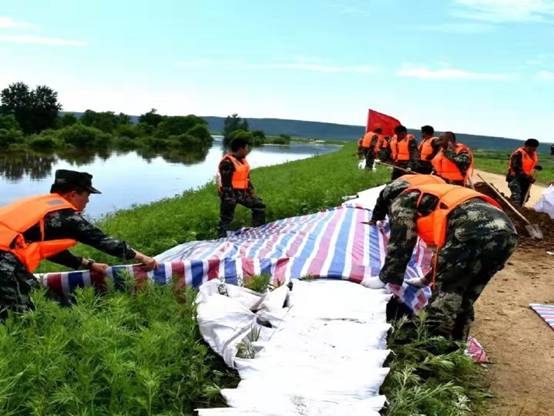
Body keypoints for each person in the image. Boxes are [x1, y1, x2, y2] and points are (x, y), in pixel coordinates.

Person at [365, 183, 517, 340]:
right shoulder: (433, 197)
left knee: (447, 294)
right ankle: (456, 343)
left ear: (390, 200)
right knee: (467, 294)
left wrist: (386, 277)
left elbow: (401, 242)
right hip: (507, 233)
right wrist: (426, 280)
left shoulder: (403, 200)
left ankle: (429, 345)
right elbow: (447, 256)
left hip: (474, 227)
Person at [0, 169, 157, 319]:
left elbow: (50, 251)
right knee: (38, 309)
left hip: (6, 259)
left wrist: (88, 264)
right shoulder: (67, 216)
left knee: (33, 303)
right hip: (4, 263)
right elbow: (102, 240)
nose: (88, 201)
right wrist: (143, 258)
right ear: (73, 194)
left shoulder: (42, 207)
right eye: (87, 195)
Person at [217, 137, 266, 238]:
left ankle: (257, 230)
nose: (247, 150)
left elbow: (246, 178)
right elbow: (226, 183)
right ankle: (222, 238)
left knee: (259, 205)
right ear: (240, 149)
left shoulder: (243, 161)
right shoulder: (227, 162)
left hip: (242, 192)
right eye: (246, 148)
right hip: (229, 193)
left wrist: (251, 191)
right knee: (226, 218)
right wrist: (230, 199)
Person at [368, 174, 446, 225]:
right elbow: (381, 202)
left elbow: (401, 218)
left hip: (438, 185)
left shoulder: (412, 195)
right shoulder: (387, 190)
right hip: (419, 180)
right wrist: (375, 219)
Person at [506, 138, 540, 206]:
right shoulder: (518, 154)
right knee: (516, 197)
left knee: (525, 197)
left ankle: (518, 209)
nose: (532, 151)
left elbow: (528, 164)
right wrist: (528, 177)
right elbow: (516, 168)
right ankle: (512, 210)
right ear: (526, 146)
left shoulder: (533, 154)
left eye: (534, 149)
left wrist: (536, 167)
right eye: (531, 149)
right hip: (515, 178)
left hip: (525, 179)